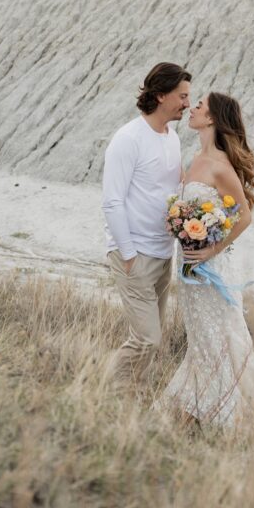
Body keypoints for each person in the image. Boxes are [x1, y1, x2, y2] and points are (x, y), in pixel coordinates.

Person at [159, 91, 254, 427]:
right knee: (201, 341)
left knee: (219, 339)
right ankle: (194, 413)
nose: (193, 107)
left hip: (209, 268)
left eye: (200, 105)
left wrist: (211, 249)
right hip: (187, 263)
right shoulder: (196, 157)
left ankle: (235, 417)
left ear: (213, 119)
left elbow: (244, 215)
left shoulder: (219, 164)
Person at [102, 62, 191, 386]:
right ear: (160, 95)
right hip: (134, 252)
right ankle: (106, 393)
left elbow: (175, 186)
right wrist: (127, 255)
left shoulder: (172, 137)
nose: (186, 103)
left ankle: (133, 398)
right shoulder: (128, 138)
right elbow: (112, 200)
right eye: (181, 96)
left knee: (152, 337)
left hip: (162, 252)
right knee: (146, 339)